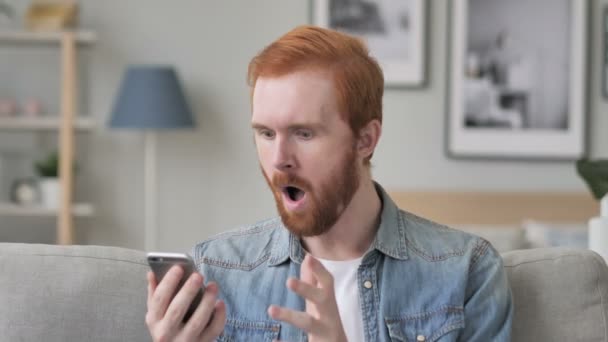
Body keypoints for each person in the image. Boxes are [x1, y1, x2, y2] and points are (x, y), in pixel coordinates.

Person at [145, 25, 513, 342]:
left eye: (303, 133)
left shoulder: (466, 272)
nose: (279, 158)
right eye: (266, 133)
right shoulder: (218, 273)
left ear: (365, 140)